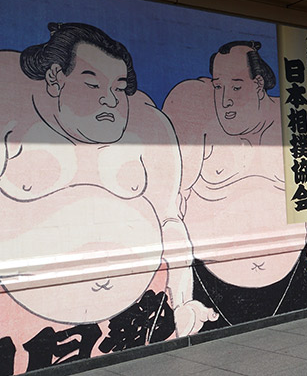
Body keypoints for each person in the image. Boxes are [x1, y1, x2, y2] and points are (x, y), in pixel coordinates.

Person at [0, 23, 216, 341]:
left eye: (118, 87)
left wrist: (182, 301)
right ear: (55, 78)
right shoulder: (11, 124)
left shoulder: (148, 130)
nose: (110, 100)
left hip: (133, 315)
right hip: (30, 323)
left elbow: (172, 225)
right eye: (93, 85)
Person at [163, 41, 307, 330]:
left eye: (236, 87)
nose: (224, 100)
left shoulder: (292, 123)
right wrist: (181, 297)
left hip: (291, 281)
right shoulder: (193, 115)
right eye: (218, 87)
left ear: (259, 84)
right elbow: (172, 207)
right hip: (211, 289)